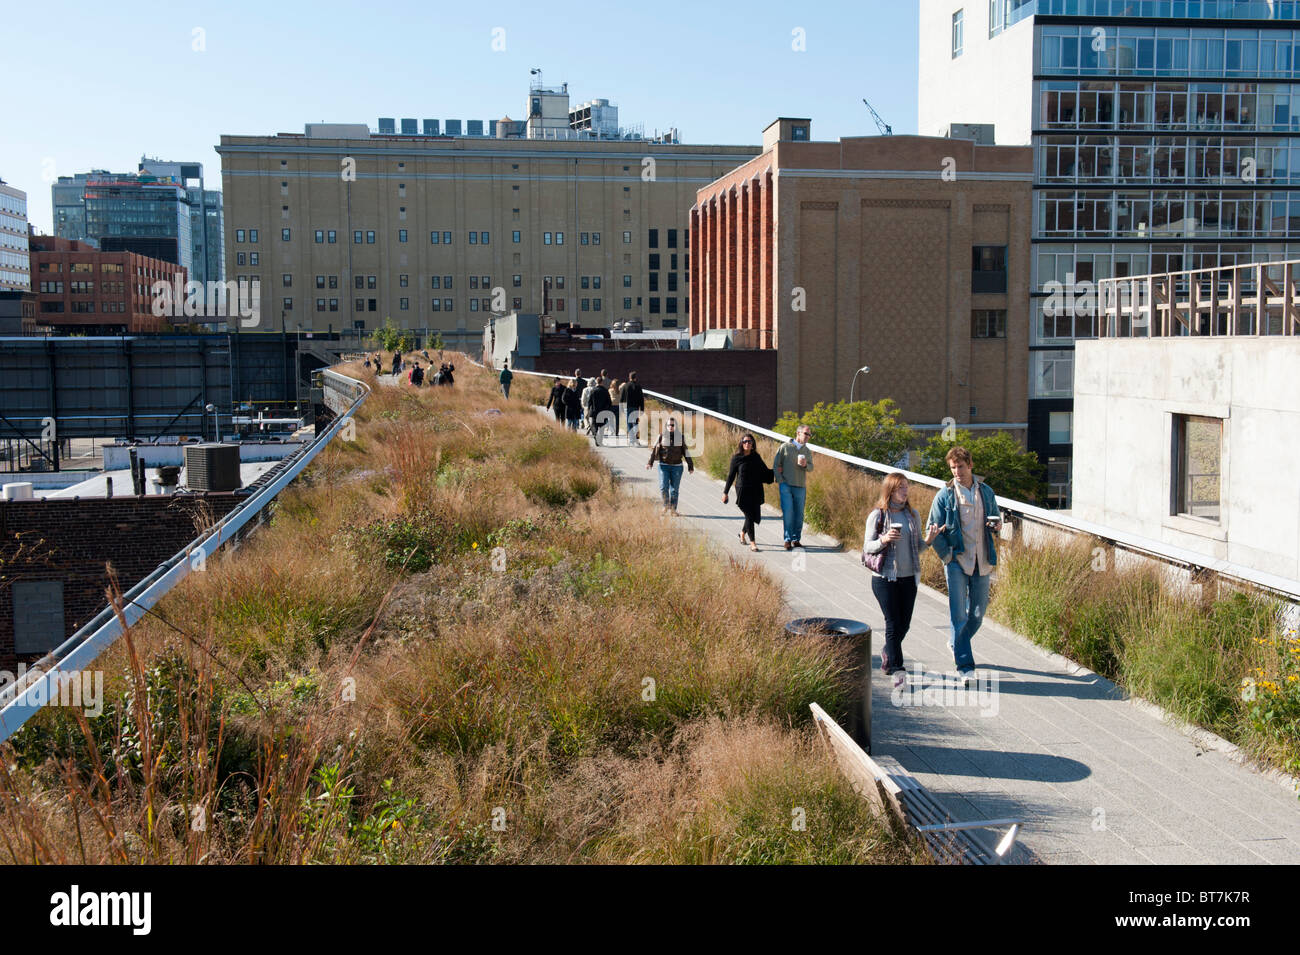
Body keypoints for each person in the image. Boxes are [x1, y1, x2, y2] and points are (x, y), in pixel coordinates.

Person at [927, 446, 1002, 686]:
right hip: (957, 561)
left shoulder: (986, 492)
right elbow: (932, 528)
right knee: (958, 615)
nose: (957, 471)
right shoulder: (945, 495)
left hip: (982, 560)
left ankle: (957, 642)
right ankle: (965, 666)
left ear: (970, 465)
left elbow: (995, 518)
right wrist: (947, 556)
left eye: (960, 466)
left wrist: (998, 526)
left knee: (978, 614)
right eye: (953, 467)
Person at [864, 473, 946, 688]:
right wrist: (884, 539)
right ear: (890, 490)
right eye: (901, 487)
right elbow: (867, 547)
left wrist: (929, 540)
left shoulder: (912, 515)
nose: (905, 491)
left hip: (909, 577)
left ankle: (887, 652)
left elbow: (917, 547)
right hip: (885, 578)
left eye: (906, 487)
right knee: (892, 623)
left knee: (904, 624)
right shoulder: (878, 515)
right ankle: (897, 669)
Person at [723, 433, 773, 551]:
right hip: (742, 490)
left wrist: (777, 471)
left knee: (752, 516)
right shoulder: (736, 458)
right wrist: (725, 493)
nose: (747, 443)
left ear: (753, 444)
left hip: (755, 490)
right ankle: (753, 543)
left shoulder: (756, 457)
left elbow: (765, 471)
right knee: (749, 515)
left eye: (749, 442)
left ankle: (742, 534)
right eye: (745, 441)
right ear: (741, 443)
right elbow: (731, 476)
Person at [772, 424, 814, 551]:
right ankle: (787, 539)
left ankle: (796, 539)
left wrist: (806, 464)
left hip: (800, 486)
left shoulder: (807, 451)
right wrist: (781, 481)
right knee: (788, 512)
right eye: (806, 433)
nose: (808, 437)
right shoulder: (785, 447)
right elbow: (776, 465)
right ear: (798, 433)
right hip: (786, 485)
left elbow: (811, 468)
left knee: (799, 514)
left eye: (809, 435)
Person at [645, 416, 693, 514]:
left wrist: (690, 466)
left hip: (677, 467)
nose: (670, 427)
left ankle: (673, 510)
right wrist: (650, 463)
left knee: (674, 490)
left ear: (676, 426)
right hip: (663, 466)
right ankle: (665, 505)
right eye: (669, 425)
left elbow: (686, 452)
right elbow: (655, 451)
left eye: (672, 425)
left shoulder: (680, 437)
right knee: (663, 487)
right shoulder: (661, 436)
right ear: (666, 426)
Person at [623, 371, 645, 445]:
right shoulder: (638, 386)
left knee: (629, 423)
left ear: (629, 378)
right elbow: (641, 399)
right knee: (635, 423)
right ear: (635, 378)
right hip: (635, 407)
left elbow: (622, 398)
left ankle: (631, 440)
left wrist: (621, 408)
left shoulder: (625, 386)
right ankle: (636, 439)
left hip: (627, 407)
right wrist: (642, 409)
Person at [589, 377, 613, 446]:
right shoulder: (605, 391)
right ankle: (600, 441)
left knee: (594, 426)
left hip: (594, 411)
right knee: (602, 427)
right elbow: (609, 402)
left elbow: (589, 402)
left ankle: (596, 438)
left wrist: (589, 410)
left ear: (596, 382)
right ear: (602, 382)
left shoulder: (593, 390)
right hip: (603, 411)